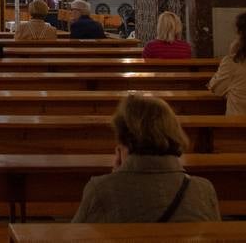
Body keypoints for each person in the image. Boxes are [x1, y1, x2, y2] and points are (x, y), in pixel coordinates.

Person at [71, 94, 221, 223]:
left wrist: (115, 178)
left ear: (124, 141)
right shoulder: (203, 189)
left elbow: (76, 236)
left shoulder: (100, 189)